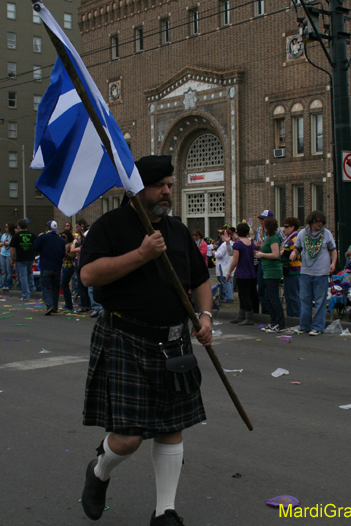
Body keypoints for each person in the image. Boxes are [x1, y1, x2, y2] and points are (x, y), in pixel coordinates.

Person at [78, 155, 212, 526]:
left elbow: (200, 279)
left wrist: (205, 316)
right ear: (136, 189)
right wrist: (141, 254)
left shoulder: (177, 230)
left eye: (169, 184)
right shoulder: (110, 226)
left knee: (171, 429)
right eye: (159, 186)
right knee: (128, 439)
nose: (167, 191)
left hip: (173, 344)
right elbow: (88, 275)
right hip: (125, 338)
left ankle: (165, 512)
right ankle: (99, 471)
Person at [291, 211, 337, 335]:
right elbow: (297, 247)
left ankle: (317, 327)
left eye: (321, 222)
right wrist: (294, 253)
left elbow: (333, 250)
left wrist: (333, 263)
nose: (320, 224)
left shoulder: (326, 233)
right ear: (311, 221)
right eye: (317, 222)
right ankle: (304, 326)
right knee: (304, 300)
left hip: (321, 273)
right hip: (305, 272)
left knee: (320, 301)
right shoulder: (302, 233)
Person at [255, 216, 285, 333]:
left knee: (274, 298)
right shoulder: (268, 238)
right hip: (267, 270)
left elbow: (276, 254)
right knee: (268, 297)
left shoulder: (274, 238)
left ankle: (280, 323)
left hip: (273, 271)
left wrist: (262, 254)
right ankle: (273, 322)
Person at [226, 222, 258, 325]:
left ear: (237, 232)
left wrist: (229, 272)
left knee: (244, 295)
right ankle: (241, 315)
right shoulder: (251, 243)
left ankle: (249, 317)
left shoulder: (238, 244)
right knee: (246, 294)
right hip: (252, 272)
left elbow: (235, 260)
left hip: (242, 273)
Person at [34, 220, 66, 315]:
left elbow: (34, 248)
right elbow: (62, 254)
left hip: (46, 266)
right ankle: (55, 306)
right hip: (57, 267)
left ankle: (49, 305)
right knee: (55, 287)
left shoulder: (43, 237)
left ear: (48, 227)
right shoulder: (61, 240)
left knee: (46, 287)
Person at [254, 210, 275, 315]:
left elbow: (281, 246)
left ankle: (272, 313)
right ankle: (265, 313)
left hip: (270, 263)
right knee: (261, 289)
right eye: (260, 219)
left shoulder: (276, 232)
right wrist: (256, 245)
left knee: (270, 290)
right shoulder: (259, 230)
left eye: (263, 219)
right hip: (261, 262)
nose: (261, 221)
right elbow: (257, 241)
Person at [281, 217, 302, 318]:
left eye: (286, 226)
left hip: (294, 270)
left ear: (293, 227)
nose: (284, 229)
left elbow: (295, 254)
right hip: (287, 271)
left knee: (294, 296)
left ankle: (297, 318)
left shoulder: (295, 238)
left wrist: (283, 253)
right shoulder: (288, 238)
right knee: (288, 296)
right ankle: (290, 317)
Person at [11, 220, 36, 300]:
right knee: (29, 272)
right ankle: (32, 287)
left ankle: (26, 295)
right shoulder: (32, 234)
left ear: (19, 227)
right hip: (30, 257)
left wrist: (12, 258)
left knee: (23, 276)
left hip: (20, 258)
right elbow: (36, 245)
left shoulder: (16, 235)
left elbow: (12, 248)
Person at [214, 229, 234, 303]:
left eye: (223, 235)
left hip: (223, 265)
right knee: (228, 281)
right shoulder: (232, 243)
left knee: (225, 281)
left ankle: (228, 297)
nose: (221, 236)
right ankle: (225, 295)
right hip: (229, 265)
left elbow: (219, 255)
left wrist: (214, 253)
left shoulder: (224, 244)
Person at [60, 230, 77, 312]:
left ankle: (69, 304)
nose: (63, 238)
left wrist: (65, 253)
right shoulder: (65, 245)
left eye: (64, 237)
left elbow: (73, 256)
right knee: (64, 285)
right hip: (65, 265)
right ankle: (68, 303)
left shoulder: (71, 245)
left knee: (64, 284)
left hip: (69, 266)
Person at [0, 222, 16, 291]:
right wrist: (4, 243)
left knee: (9, 271)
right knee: (4, 271)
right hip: (3, 253)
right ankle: (4, 284)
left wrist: (8, 244)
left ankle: (8, 285)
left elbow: (13, 245)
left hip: (9, 254)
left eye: (7, 227)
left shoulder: (13, 236)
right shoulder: (4, 235)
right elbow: (0, 243)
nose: (5, 228)